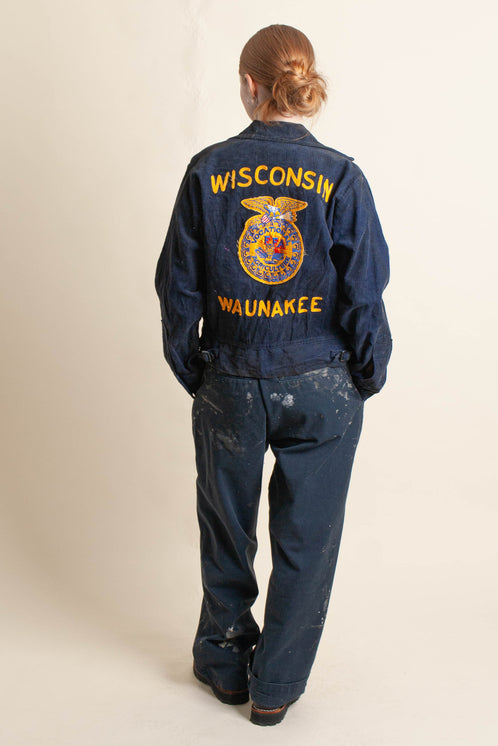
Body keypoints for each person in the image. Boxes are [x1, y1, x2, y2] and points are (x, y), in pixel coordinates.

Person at [155, 24, 392, 726]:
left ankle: (225, 666)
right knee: (307, 538)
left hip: (228, 376)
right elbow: (365, 291)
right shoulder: (340, 176)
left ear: (249, 85)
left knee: (226, 529)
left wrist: (197, 369)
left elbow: (177, 286)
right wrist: (365, 373)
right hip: (321, 381)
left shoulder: (207, 170)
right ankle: (276, 687)